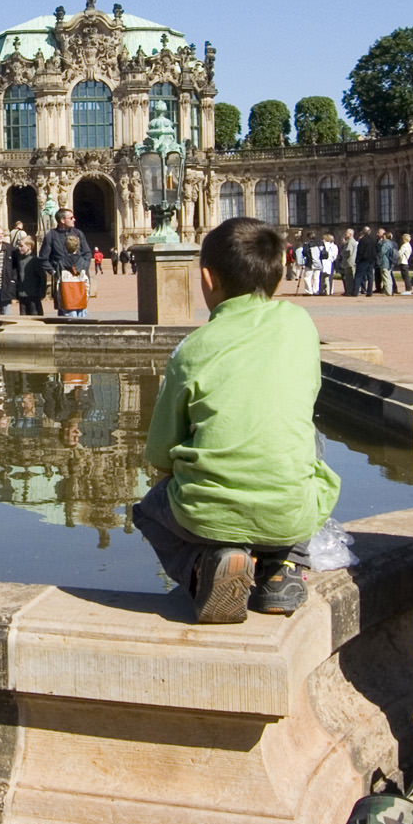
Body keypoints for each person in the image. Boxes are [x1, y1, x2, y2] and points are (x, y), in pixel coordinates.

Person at [132, 217, 341, 623]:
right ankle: (284, 567)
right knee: (308, 441)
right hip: (292, 510)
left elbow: (159, 454)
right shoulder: (300, 325)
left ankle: (202, 568)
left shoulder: (192, 350)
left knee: (147, 510)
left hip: (205, 515)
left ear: (207, 279)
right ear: (279, 273)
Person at [37, 208, 93, 317]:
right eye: (71, 218)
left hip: (79, 278)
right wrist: (54, 272)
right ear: (62, 220)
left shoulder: (78, 233)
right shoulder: (51, 235)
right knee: (66, 309)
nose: (74, 220)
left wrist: (83, 267)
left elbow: (87, 253)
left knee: (82, 309)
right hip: (63, 279)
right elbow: (43, 258)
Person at [14, 232, 47, 315]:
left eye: (22, 246)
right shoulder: (19, 260)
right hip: (22, 295)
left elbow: (42, 277)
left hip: (33, 295)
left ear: (29, 246)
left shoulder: (34, 260)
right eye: (19, 246)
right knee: (23, 316)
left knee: (35, 315)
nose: (19, 248)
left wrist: (42, 292)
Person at [355, 226, 379, 296]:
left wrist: (357, 259)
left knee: (359, 276)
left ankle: (355, 292)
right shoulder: (373, 240)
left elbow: (360, 251)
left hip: (363, 260)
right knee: (370, 276)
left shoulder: (362, 240)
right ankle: (369, 292)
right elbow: (377, 250)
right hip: (371, 260)